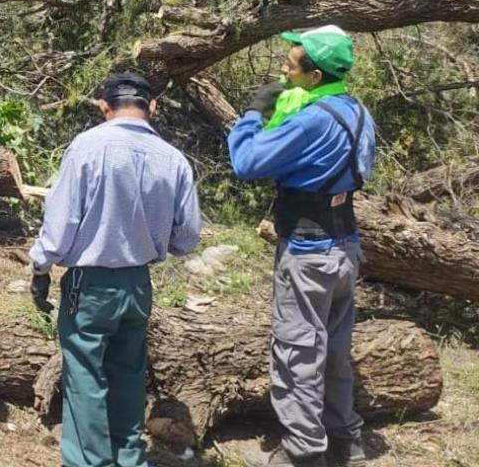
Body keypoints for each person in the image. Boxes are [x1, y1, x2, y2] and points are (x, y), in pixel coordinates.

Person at [27, 71, 201, 467]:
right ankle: (129, 458)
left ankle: (90, 462)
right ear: (151, 107)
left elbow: (59, 228)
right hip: (138, 283)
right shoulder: (173, 159)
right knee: (128, 376)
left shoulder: (87, 147)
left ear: (104, 106)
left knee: (85, 377)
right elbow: (188, 236)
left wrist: (40, 266)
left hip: (90, 283)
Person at [231, 26, 375, 467]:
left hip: (308, 252)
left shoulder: (311, 120)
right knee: (333, 348)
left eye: (290, 66)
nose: (281, 70)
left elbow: (247, 162)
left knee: (297, 351)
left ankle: (302, 452)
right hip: (345, 246)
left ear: (314, 76)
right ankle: (345, 436)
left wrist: (254, 113)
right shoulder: (356, 111)